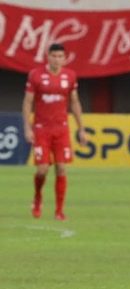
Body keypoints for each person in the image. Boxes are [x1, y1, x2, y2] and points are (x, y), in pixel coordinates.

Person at [23, 43, 87, 220]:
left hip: (61, 129)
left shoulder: (70, 76)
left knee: (61, 168)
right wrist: (27, 127)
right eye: (54, 56)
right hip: (42, 129)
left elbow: (74, 102)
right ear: (48, 56)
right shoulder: (36, 75)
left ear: (65, 58)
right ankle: (37, 197)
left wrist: (81, 128)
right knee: (42, 169)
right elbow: (28, 102)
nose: (57, 59)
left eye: (60, 56)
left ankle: (59, 211)